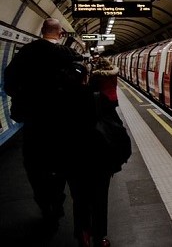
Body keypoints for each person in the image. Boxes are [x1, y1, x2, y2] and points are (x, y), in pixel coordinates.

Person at [3, 18, 83, 230]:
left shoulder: (25, 53)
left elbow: (9, 81)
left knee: (35, 164)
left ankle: (45, 202)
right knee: (61, 162)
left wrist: (23, 97)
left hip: (33, 122)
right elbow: (80, 84)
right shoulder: (67, 55)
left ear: (41, 30)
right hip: (62, 123)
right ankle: (57, 201)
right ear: (60, 34)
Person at [66, 57, 120, 247]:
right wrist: (115, 161)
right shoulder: (98, 99)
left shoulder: (59, 102)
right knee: (99, 200)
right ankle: (99, 237)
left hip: (72, 161)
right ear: (86, 77)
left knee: (79, 199)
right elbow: (116, 132)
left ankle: (82, 233)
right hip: (99, 161)